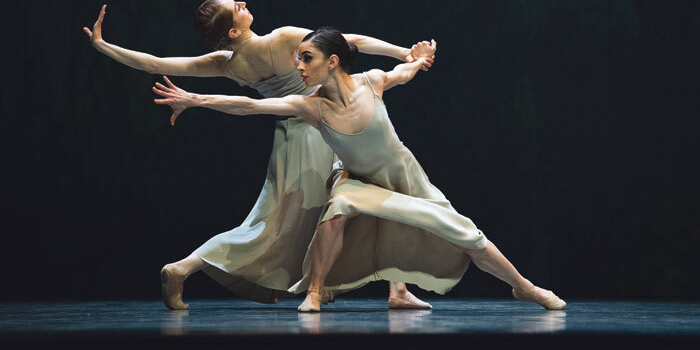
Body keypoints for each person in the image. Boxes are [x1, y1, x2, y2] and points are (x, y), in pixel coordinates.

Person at [151, 27, 566, 313]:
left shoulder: (372, 82)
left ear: (332, 62)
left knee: (466, 234)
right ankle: (314, 292)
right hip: (358, 181)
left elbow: (404, 71)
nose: (299, 67)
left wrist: (417, 58)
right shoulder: (310, 106)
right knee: (339, 206)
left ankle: (523, 287)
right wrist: (198, 100)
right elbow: (251, 106)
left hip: (405, 177)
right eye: (298, 59)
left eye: (306, 59)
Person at [82, 0, 434, 310]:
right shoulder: (279, 39)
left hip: (288, 141)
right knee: (374, 199)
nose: (242, 2)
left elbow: (154, 63)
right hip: (325, 130)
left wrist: (103, 46)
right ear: (234, 31)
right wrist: (404, 53)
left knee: (273, 224)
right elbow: (348, 43)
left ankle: (186, 267)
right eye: (236, 7)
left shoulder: (228, 64)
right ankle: (391, 288)